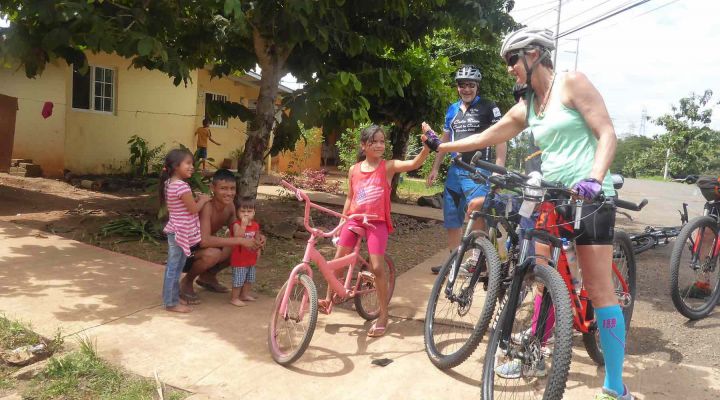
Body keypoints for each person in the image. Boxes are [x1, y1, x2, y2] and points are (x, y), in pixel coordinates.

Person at [424, 27, 631, 400]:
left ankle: (616, 387)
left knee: (599, 290)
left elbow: (607, 134)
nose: (508, 69)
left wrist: (595, 177)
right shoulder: (529, 106)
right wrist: (443, 145)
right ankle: (534, 350)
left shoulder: (573, 84)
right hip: (551, 196)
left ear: (534, 54)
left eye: (511, 60)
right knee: (538, 276)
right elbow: (486, 136)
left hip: (589, 195)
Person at [320, 124, 431, 337]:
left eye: (382, 141)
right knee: (337, 260)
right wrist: (343, 221)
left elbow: (415, 163)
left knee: (378, 268)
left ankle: (383, 315)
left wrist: (426, 147)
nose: (380, 145)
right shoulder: (354, 169)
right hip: (354, 219)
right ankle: (329, 298)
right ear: (364, 145)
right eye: (374, 141)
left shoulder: (387, 167)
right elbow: (350, 197)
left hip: (376, 222)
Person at [425, 64, 508, 274]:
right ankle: (454, 261)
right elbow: (445, 139)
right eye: (462, 85)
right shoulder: (452, 109)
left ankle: (477, 260)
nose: (466, 89)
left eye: (470, 85)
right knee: (452, 216)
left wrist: (499, 168)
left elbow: (501, 138)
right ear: (457, 87)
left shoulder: (489, 107)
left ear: (477, 86)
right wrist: (436, 166)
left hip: (478, 170)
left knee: (477, 213)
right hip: (455, 169)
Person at [179, 169, 264, 303]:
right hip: (186, 253)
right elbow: (204, 241)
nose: (229, 193)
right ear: (213, 188)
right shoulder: (207, 206)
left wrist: (256, 236)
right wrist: (240, 240)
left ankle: (207, 276)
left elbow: (237, 230)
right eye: (223, 188)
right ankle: (187, 282)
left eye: (232, 189)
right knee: (213, 254)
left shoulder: (230, 206)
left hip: (199, 251)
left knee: (236, 247)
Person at [159, 149, 211, 313]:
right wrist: (202, 200)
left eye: (192, 164)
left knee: (175, 266)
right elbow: (194, 209)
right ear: (175, 166)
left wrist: (194, 201)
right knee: (174, 267)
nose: (192, 167)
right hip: (180, 232)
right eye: (188, 163)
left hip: (176, 230)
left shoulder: (170, 183)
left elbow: (184, 207)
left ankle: (172, 296)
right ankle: (171, 302)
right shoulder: (182, 186)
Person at [229, 197, 262, 307]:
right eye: (243, 211)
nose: (246, 214)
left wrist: (258, 249)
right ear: (237, 212)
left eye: (249, 211)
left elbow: (257, 239)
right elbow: (238, 236)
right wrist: (243, 225)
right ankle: (234, 298)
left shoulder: (255, 225)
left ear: (254, 212)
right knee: (238, 280)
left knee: (249, 279)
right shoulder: (236, 224)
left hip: (250, 257)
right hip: (239, 258)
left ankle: (244, 295)